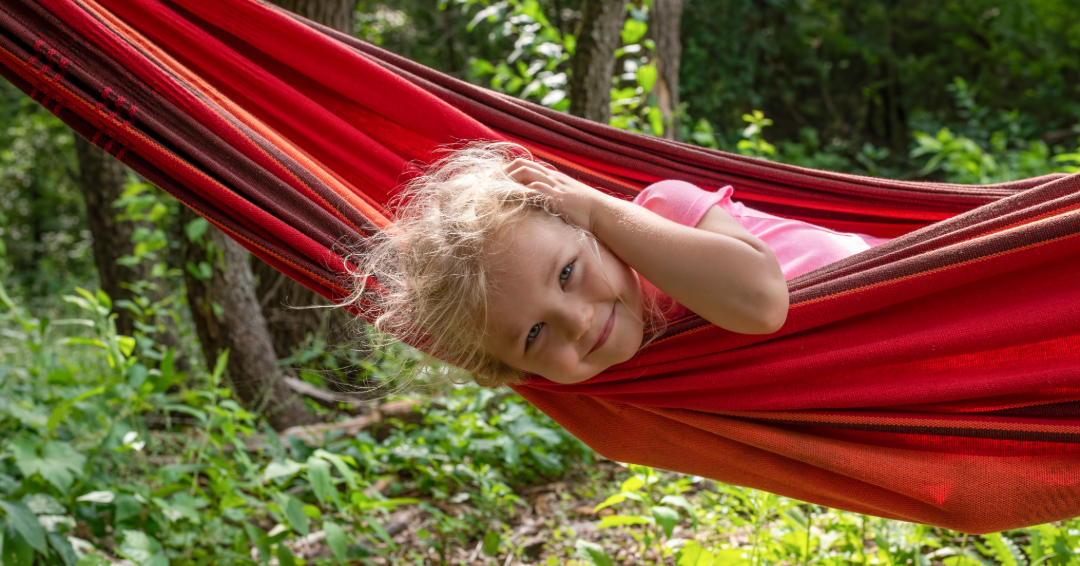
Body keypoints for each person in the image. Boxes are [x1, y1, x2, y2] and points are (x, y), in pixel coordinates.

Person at [349, 142, 887, 387]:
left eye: (567, 274)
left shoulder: (665, 210)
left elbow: (763, 304)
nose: (578, 322)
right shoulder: (628, 385)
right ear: (513, 373)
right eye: (534, 333)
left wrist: (600, 209)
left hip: (904, 291)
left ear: (591, 229)